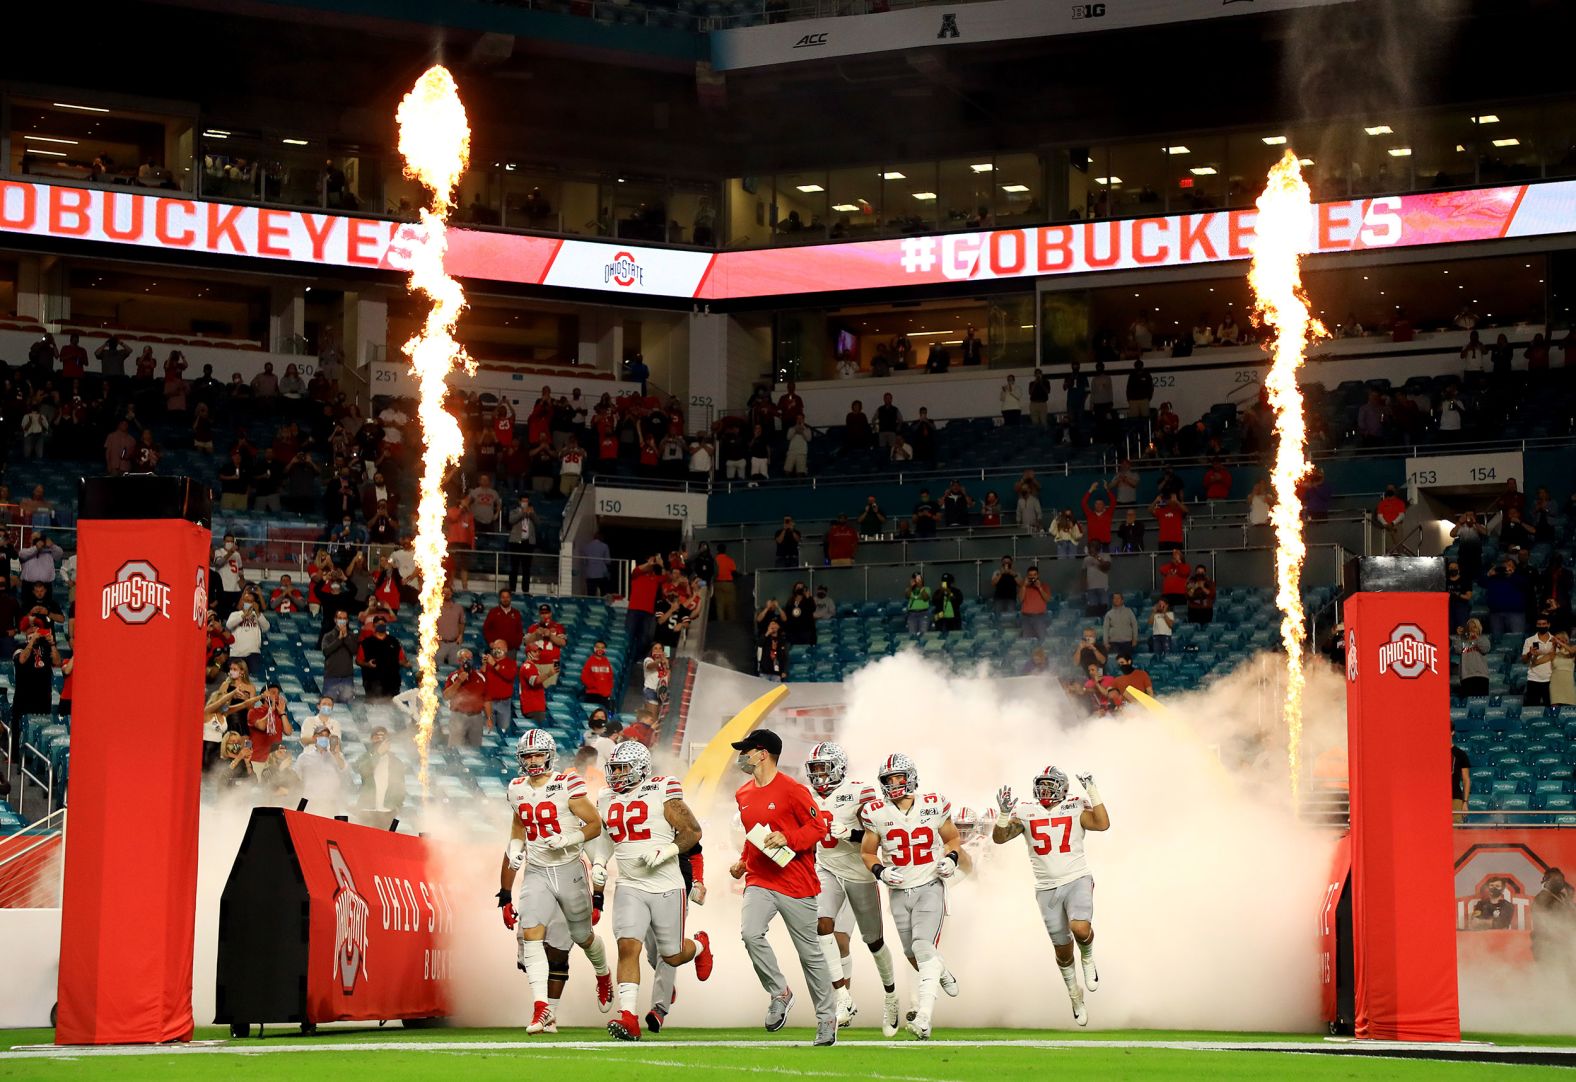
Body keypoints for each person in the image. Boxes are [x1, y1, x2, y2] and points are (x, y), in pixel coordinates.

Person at [586, 741, 713, 1041]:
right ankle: (628, 1017)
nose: (616, 774)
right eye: (613, 768)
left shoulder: (663, 789)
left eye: (622, 768)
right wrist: (601, 861)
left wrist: (668, 850)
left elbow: (692, 831)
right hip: (630, 884)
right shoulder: (605, 797)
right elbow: (604, 837)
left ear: (641, 769)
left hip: (667, 885)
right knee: (628, 946)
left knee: (671, 956)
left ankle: (700, 945)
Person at [499, 730, 615, 1032]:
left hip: (568, 869)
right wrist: (515, 849)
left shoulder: (567, 784)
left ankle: (602, 973)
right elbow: (518, 824)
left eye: (538, 754)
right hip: (537, 870)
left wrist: (569, 838)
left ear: (549, 754)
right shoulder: (516, 788)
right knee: (532, 934)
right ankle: (542, 1009)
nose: (533, 760)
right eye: (528, 755)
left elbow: (594, 825)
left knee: (582, 936)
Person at [730, 729, 838, 1046]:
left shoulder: (794, 791)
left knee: (810, 955)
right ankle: (780, 991)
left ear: (763, 754)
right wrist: (742, 861)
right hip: (760, 878)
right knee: (750, 933)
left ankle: (827, 1018)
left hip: (796, 882)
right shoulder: (743, 794)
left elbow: (818, 827)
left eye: (747, 750)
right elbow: (755, 834)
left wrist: (788, 838)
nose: (742, 756)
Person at [993, 766, 1109, 1027]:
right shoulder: (1025, 811)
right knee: (1063, 951)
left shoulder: (1076, 806)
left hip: (1076, 878)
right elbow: (1000, 839)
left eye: (1051, 784)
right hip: (1046, 887)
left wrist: (1092, 789)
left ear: (1064, 787)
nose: (1045, 789)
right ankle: (1074, 995)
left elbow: (1102, 824)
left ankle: (1088, 958)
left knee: (1080, 928)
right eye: (1042, 785)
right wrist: (1002, 815)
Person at [859, 753, 963, 1041]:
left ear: (911, 777)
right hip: (898, 890)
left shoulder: (933, 804)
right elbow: (867, 853)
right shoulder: (876, 812)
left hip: (930, 884)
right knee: (912, 953)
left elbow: (953, 838)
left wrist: (951, 859)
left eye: (898, 778)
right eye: (888, 780)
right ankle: (940, 971)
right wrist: (880, 871)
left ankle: (925, 1019)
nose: (894, 784)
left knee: (921, 945)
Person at [804, 742, 901, 1033]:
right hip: (827, 868)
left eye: (823, 767)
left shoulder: (860, 791)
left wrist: (852, 833)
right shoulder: (805, 795)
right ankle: (842, 996)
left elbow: (878, 835)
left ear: (838, 767)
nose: (818, 774)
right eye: (814, 769)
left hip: (859, 873)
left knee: (874, 941)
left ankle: (891, 996)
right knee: (822, 926)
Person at [353, 727, 407, 823]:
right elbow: (363, 771)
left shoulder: (396, 762)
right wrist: (378, 754)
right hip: (367, 809)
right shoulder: (365, 757)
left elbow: (401, 787)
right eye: (377, 737)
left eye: (383, 737)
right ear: (372, 739)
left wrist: (397, 807)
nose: (380, 739)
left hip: (387, 811)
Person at [295, 725, 349, 817]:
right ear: (314, 737)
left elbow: (344, 771)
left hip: (330, 803)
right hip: (310, 802)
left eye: (326, 736)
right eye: (321, 735)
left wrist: (336, 755)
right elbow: (296, 778)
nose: (324, 738)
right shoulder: (304, 757)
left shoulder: (336, 756)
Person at [1522, 619, 1556, 708]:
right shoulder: (1529, 640)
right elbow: (1524, 660)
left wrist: (1538, 659)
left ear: (1548, 624)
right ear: (1536, 625)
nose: (1542, 626)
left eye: (1544, 624)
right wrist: (1530, 653)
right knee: (1532, 709)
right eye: (1539, 624)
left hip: (1551, 679)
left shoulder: (1555, 640)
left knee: (1551, 709)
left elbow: (1555, 657)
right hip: (1534, 679)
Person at [1457, 619, 1490, 698]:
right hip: (1466, 676)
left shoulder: (1483, 639)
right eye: (1469, 627)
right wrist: (1459, 636)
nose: (1471, 629)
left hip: (1481, 676)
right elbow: (1457, 650)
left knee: (1482, 702)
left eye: (1474, 627)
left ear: (1479, 628)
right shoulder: (1463, 641)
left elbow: (1486, 649)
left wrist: (1476, 638)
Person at [1101, 593, 1138, 663]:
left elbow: (1134, 625)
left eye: (1118, 598)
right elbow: (1105, 629)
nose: (1116, 600)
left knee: (1127, 662)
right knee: (1116, 662)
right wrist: (1105, 642)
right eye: (1114, 598)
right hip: (1114, 643)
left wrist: (1135, 639)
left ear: (1122, 600)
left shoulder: (1129, 611)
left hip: (1127, 642)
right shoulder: (1109, 614)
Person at [1017, 563, 1050, 640]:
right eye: (1030, 575)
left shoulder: (1044, 585)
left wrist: (1040, 588)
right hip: (1026, 617)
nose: (1032, 577)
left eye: (1034, 575)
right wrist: (1024, 586)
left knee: (1042, 638)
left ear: (1038, 575)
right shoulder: (1023, 586)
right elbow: (1020, 599)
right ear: (1027, 576)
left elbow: (1047, 599)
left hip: (1039, 616)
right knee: (1027, 639)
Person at [712, 543, 737, 622]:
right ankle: (731, 622)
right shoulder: (729, 560)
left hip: (717, 583)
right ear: (725, 550)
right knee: (730, 604)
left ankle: (721, 623)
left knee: (719, 604)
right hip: (728, 583)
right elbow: (734, 572)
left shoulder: (714, 560)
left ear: (717, 550)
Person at [1450, 739, 1472, 820]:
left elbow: (1466, 779)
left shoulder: (1460, 754)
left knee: (1456, 829)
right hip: (1437, 798)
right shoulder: (1434, 753)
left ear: (1452, 732)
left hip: (1455, 798)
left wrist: (1465, 802)